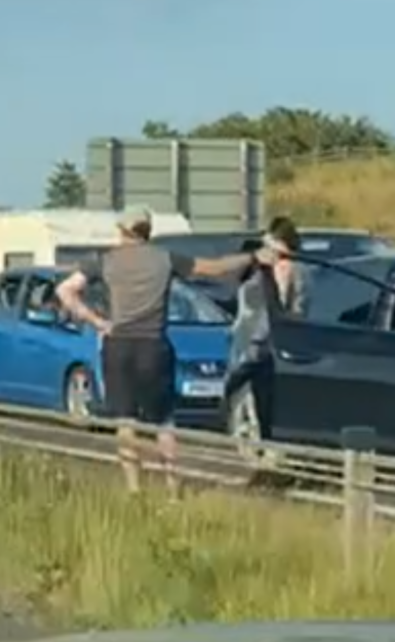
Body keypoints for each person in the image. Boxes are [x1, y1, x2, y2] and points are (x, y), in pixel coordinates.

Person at [55, 206, 274, 493]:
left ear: (122, 230)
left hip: (118, 345)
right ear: (148, 231)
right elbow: (214, 268)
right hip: (153, 345)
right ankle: (172, 487)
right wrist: (253, 257)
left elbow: (65, 291)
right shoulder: (166, 259)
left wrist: (97, 321)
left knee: (125, 422)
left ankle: (134, 488)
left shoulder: (104, 261)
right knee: (164, 422)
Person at [225, 217, 309, 454]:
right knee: (240, 392)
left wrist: (281, 267)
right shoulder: (254, 266)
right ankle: (246, 440)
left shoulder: (293, 269)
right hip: (246, 337)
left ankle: (265, 443)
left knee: (266, 396)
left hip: (271, 341)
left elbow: (291, 308)